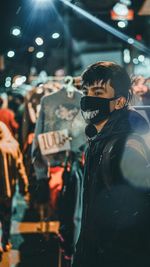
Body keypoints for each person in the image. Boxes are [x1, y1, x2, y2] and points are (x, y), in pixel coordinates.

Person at [72, 61, 150, 267]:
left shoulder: (126, 146)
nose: (88, 99)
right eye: (86, 91)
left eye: (98, 93)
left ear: (119, 102)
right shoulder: (98, 140)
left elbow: (136, 222)